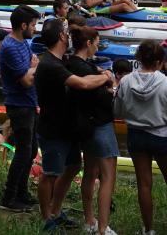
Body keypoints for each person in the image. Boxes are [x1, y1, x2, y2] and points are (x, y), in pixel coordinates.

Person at [34, 19, 113, 232]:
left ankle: (56, 210)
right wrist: (105, 76)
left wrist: (95, 68)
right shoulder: (50, 64)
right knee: (50, 174)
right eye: (66, 32)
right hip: (52, 129)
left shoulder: (61, 60)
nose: (69, 35)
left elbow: (81, 67)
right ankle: (46, 218)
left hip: (65, 127)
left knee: (73, 167)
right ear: (61, 36)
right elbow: (83, 83)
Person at [66, 26, 118, 235]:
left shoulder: (72, 63)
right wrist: (112, 85)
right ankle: (103, 228)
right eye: (96, 41)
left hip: (84, 128)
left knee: (90, 172)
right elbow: (105, 99)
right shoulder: (86, 70)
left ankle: (90, 220)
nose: (98, 45)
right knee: (107, 177)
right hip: (100, 127)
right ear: (88, 43)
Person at [113, 39, 167, 235]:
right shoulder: (165, 82)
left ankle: (148, 230)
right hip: (162, 135)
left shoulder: (126, 81)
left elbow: (117, 111)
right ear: (160, 61)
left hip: (136, 136)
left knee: (144, 185)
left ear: (138, 60)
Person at [0, 4, 41, 212]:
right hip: (19, 104)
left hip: (30, 103)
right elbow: (25, 79)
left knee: (31, 149)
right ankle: (9, 197)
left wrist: (33, 66)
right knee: (23, 152)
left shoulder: (23, 42)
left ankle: (22, 192)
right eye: (33, 25)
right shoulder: (10, 47)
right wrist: (34, 67)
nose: (34, 28)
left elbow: (33, 64)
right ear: (23, 25)